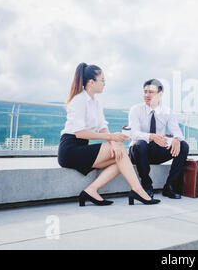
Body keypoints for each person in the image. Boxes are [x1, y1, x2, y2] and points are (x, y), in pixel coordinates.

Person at [57, 63, 160, 206]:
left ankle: (91, 190)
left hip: (82, 149)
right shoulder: (78, 100)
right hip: (70, 150)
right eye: (103, 80)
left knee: (121, 155)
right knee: (120, 152)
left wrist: (114, 143)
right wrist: (112, 138)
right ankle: (138, 190)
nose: (105, 84)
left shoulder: (96, 103)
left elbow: (102, 128)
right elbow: (80, 133)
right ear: (91, 83)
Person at [128, 79, 189, 199]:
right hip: (138, 152)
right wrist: (151, 136)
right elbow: (133, 133)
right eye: (145, 91)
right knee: (140, 143)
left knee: (183, 146)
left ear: (160, 94)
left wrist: (177, 139)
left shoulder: (168, 112)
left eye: (151, 92)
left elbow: (177, 132)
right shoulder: (136, 109)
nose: (147, 95)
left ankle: (170, 186)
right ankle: (146, 185)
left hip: (156, 152)